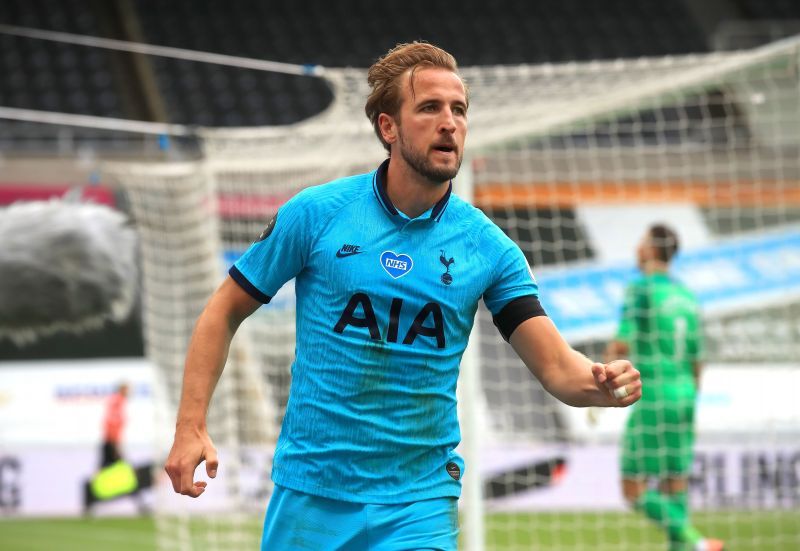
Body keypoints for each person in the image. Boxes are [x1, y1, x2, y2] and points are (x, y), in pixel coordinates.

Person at [165, 41, 642, 551]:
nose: (449, 122)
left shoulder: (490, 249)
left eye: (458, 110)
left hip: (420, 501)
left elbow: (556, 367)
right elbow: (223, 311)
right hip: (313, 493)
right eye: (430, 107)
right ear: (388, 127)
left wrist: (599, 383)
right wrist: (190, 425)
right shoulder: (317, 214)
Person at [605, 224, 723, 551]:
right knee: (675, 485)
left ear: (651, 249)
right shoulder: (686, 296)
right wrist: (690, 395)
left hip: (654, 394)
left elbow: (622, 344)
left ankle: (697, 542)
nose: (637, 248)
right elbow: (698, 359)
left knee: (633, 489)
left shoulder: (641, 289)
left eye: (641, 241)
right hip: (686, 394)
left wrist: (603, 364)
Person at [100, 382, 129, 468]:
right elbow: (112, 421)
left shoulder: (118, 401)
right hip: (112, 441)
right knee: (111, 465)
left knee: (107, 464)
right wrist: (114, 442)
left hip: (112, 440)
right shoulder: (117, 402)